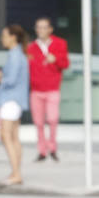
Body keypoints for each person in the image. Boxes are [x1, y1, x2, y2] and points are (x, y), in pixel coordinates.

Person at [26, 16, 69, 162]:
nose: (41, 30)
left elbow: (65, 64)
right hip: (36, 90)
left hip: (52, 89)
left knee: (52, 119)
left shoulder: (60, 44)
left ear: (50, 29)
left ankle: (53, 148)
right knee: (38, 122)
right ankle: (42, 151)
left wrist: (55, 59)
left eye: (44, 27)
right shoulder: (31, 47)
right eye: (38, 27)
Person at [0, 23, 29, 186]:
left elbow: (12, 80)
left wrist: (1, 78)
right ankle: (16, 172)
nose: (3, 39)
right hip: (16, 100)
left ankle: (16, 173)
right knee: (13, 137)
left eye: (4, 36)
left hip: (10, 100)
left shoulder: (15, 55)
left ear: (13, 37)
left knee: (7, 136)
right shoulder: (19, 54)